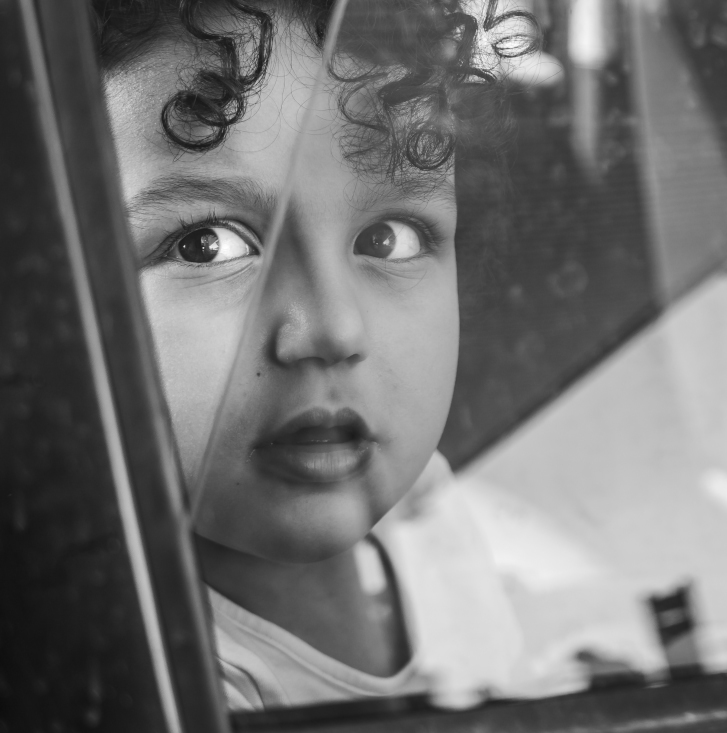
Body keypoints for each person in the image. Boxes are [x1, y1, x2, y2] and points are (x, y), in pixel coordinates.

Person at [92, 0, 535, 711]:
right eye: (206, 245)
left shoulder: (430, 510)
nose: (332, 327)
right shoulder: (144, 681)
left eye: (389, 237)